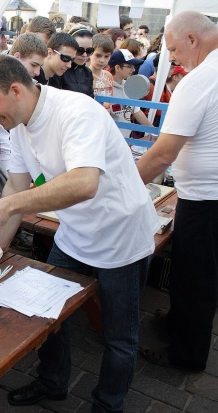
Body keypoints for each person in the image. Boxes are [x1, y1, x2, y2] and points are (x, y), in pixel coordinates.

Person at [0, 54, 158, 413]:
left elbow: (84, 183)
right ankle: (53, 381)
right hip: (75, 232)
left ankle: (108, 406)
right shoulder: (19, 124)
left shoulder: (76, 112)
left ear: (16, 90)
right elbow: (16, 187)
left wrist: (7, 206)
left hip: (121, 234)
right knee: (47, 314)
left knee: (119, 336)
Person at [136, 11, 218, 373]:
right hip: (207, 194)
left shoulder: (200, 80)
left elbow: (163, 153)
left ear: (192, 39)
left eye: (172, 49)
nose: (173, 58)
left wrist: (124, 185)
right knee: (197, 271)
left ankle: (187, 354)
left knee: (194, 278)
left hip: (206, 200)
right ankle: (178, 323)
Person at [107, 49, 153, 137]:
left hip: (125, 139)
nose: (133, 69)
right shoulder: (105, 87)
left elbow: (137, 111)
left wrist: (153, 131)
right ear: (117, 68)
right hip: (109, 139)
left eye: (133, 66)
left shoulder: (129, 86)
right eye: (129, 66)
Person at [61, 25, 95, 97]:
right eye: (80, 50)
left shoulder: (88, 72)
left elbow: (90, 98)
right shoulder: (60, 70)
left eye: (89, 51)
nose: (84, 55)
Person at [89, 33, 115, 100]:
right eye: (98, 55)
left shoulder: (108, 76)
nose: (102, 60)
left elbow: (110, 100)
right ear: (90, 53)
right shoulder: (85, 76)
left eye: (106, 56)